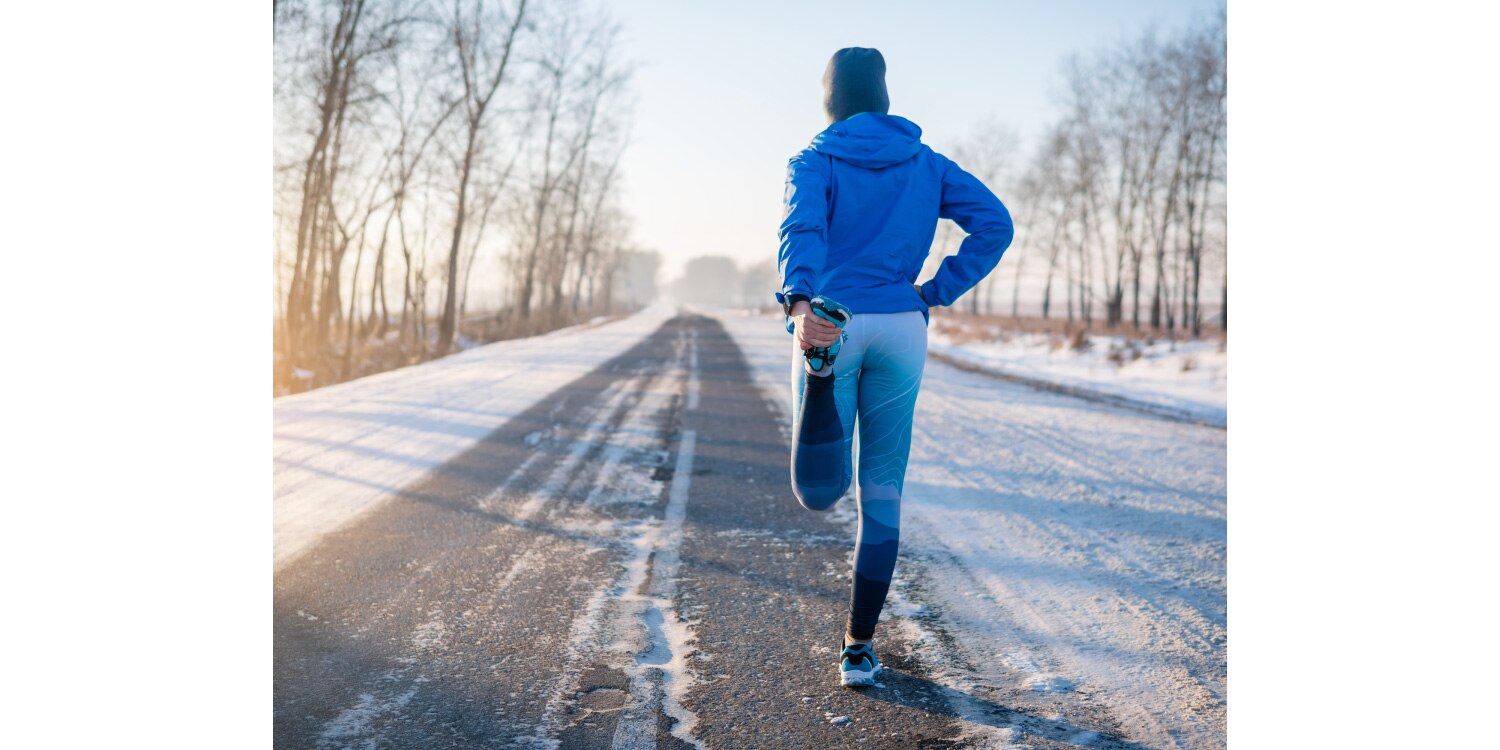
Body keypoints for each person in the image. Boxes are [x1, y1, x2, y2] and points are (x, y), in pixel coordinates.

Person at [776, 47, 1014, 687]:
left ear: (831, 100)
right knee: (883, 494)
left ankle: (821, 377)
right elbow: (995, 224)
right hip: (903, 329)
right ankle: (859, 648)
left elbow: (802, 231)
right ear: (882, 97)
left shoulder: (815, 160)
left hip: (832, 320)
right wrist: (934, 290)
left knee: (820, 492)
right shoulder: (928, 164)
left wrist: (799, 304)